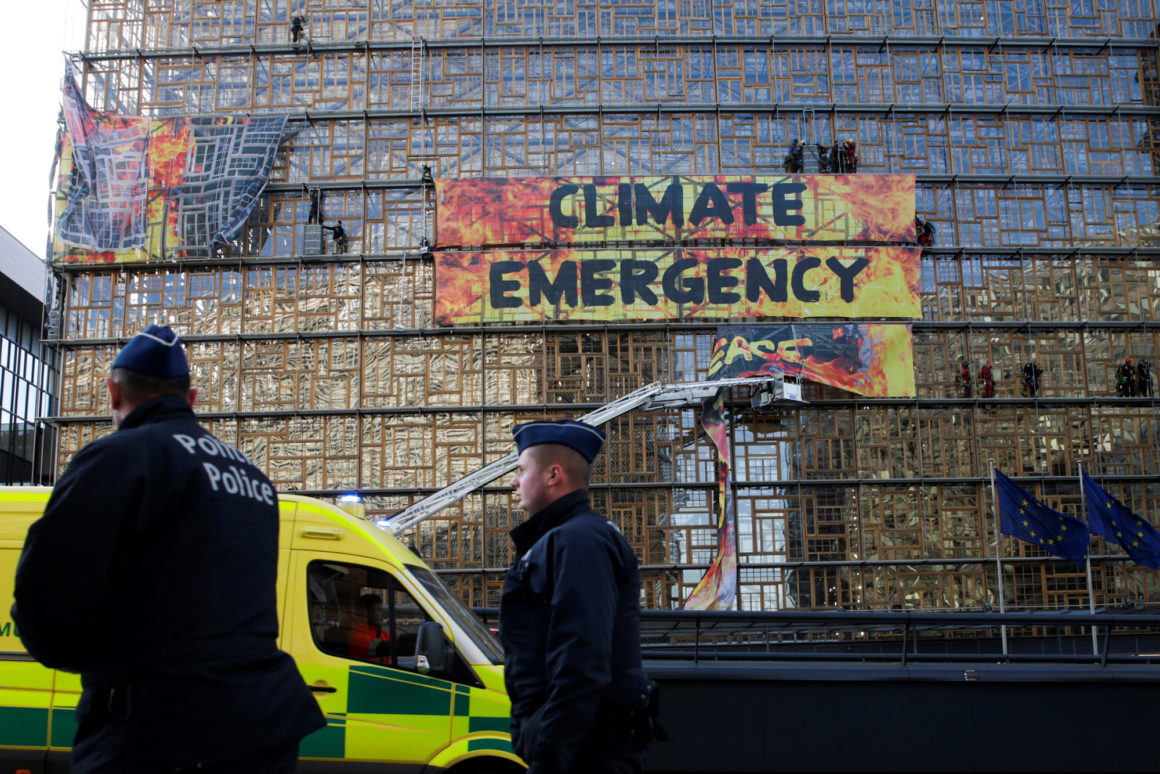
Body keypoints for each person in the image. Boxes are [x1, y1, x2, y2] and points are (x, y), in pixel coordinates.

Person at [11, 325, 324, 774]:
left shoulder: (117, 459)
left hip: (160, 730)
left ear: (113, 392)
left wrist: (97, 663)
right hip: (264, 725)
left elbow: (45, 598)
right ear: (190, 399)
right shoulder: (252, 477)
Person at [500, 420, 660, 774]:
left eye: (522, 470)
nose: (514, 481)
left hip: (584, 754)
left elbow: (581, 661)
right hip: (581, 748)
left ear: (553, 475)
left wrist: (549, 758)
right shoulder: (563, 540)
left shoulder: (578, 542)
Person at [348, 593, 391, 663]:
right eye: (378, 610)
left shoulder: (380, 633)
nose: (383, 615)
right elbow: (380, 647)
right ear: (365, 612)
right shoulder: (357, 636)